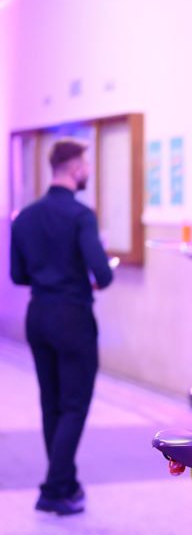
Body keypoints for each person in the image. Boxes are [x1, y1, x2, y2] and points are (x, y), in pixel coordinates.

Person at [10, 137, 114, 515]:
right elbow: (102, 273)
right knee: (74, 404)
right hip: (73, 316)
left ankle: (65, 482)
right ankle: (54, 489)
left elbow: (19, 274)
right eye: (85, 165)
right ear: (75, 168)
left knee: (52, 404)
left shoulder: (27, 216)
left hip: (38, 316)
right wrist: (96, 269)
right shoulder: (81, 216)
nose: (86, 171)